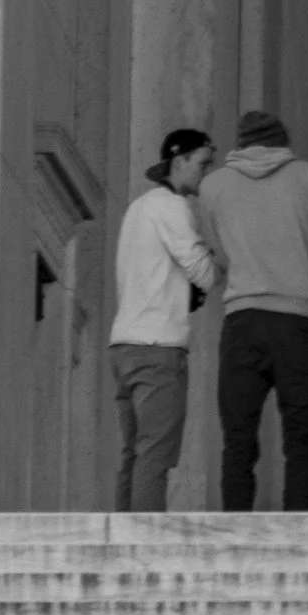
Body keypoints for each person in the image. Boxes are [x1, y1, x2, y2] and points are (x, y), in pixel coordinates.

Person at [197, 108, 308, 510]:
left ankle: (235, 528)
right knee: (300, 440)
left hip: (242, 320)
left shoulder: (212, 186)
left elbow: (220, 258)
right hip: (298, 320)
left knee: (238, 438)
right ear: (282, 143)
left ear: (241, 145)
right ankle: (297, 525)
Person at [107, 127, 217, 511]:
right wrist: (212, 262)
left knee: (134, 454)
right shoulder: (171, 207)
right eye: (202, 163)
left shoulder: (137, 208)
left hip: (125, 345)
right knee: (155, 453)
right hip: (158, 349)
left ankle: (123, 538)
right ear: (179, 160)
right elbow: (201, 270)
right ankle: (143, 545)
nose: (205, 172)